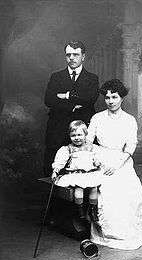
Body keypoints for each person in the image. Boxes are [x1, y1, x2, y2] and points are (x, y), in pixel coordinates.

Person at [87, 79, 142, 250]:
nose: (110, 101)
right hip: (100, 157)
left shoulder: (129, 120)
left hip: (121, 160)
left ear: (122, 98)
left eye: (115, 97)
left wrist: (116, 165)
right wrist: (96, 158)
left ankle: (125, 231)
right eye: (107, 97)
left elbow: (131, 145)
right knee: (107, 189)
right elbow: (88, 141)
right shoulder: (97, 118)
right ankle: (107, 231)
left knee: (127, 188)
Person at [44, 40, 99, 176]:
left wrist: (64, 96)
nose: (72, 58)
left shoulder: (92, 78)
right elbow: (49, 100)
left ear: (83, 56)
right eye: (69, 55)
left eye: (76, 54)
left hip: (82, 129)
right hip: (58, 128)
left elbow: (89, 100)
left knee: (84, 168)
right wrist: (73, 104)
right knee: (56, 167)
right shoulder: (56, 77)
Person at [51, 120, 102, 222]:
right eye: (73, 135)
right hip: (76, 175)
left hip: (90, 174)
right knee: (79, 190)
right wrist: (55, 171)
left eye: (80, 135)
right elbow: (60, 162)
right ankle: (80, 211)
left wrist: (98, 162)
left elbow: (98, 159)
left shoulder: (91, 148)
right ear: (69, 136)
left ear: (85, 135)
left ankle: (92, 210)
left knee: (94, 188)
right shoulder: (68, 149)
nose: (77, 138)